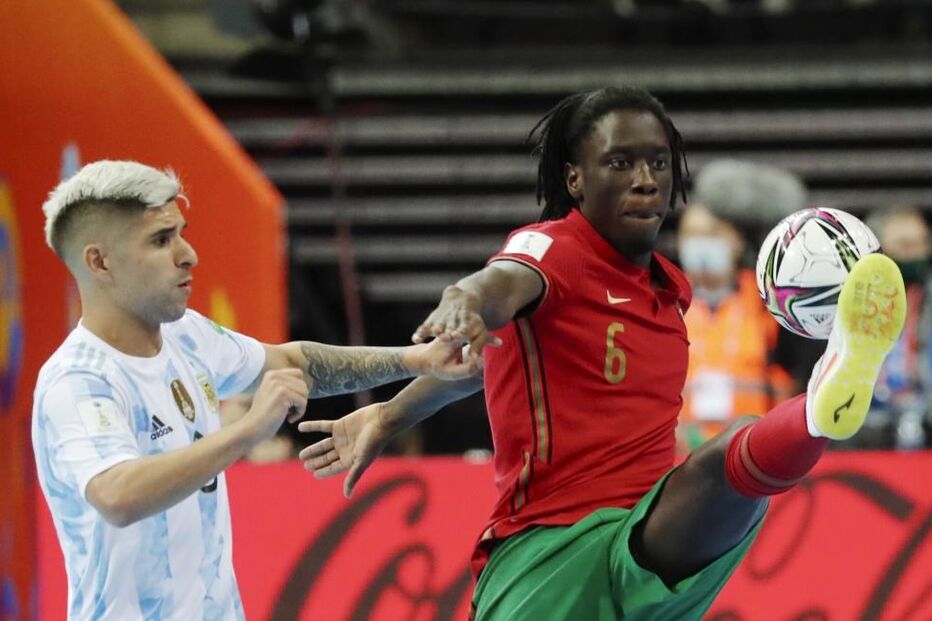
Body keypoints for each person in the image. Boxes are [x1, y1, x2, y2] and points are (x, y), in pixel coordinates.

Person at [299, 87, 907, 619]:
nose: (646, 179)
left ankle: (821, 404)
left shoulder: (670, 289)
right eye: (620, 162)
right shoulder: (553, 250)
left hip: (650, 544)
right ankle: (814, 409)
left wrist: (389, 415)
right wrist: (464, 300)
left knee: (728, 466)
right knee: (727, 460)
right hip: (552, 554)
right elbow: (498, 286)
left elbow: (473, 369)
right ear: (575, 179)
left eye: (658, 163)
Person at [31, 160, 478, 621]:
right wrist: (248, 431)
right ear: (99, 262)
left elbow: (293, 363)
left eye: (181, 233)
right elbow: (117, 495)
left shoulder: (186, 336)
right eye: (161, 240)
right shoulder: (79, 380)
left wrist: (416, 361)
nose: (188, 254)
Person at [675, 161, 801, 451]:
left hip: (755, 452)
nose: (699, 243)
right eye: (690, 234)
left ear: (735, 241)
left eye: (711, 233)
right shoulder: (665, 301)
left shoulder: (768, 299)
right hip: (680, 457)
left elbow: (796, 373)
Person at [856, 205, 932, 449]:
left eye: (920, 244)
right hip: (869, 421)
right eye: (904, 246)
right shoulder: (856, 302)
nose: (914, 255)